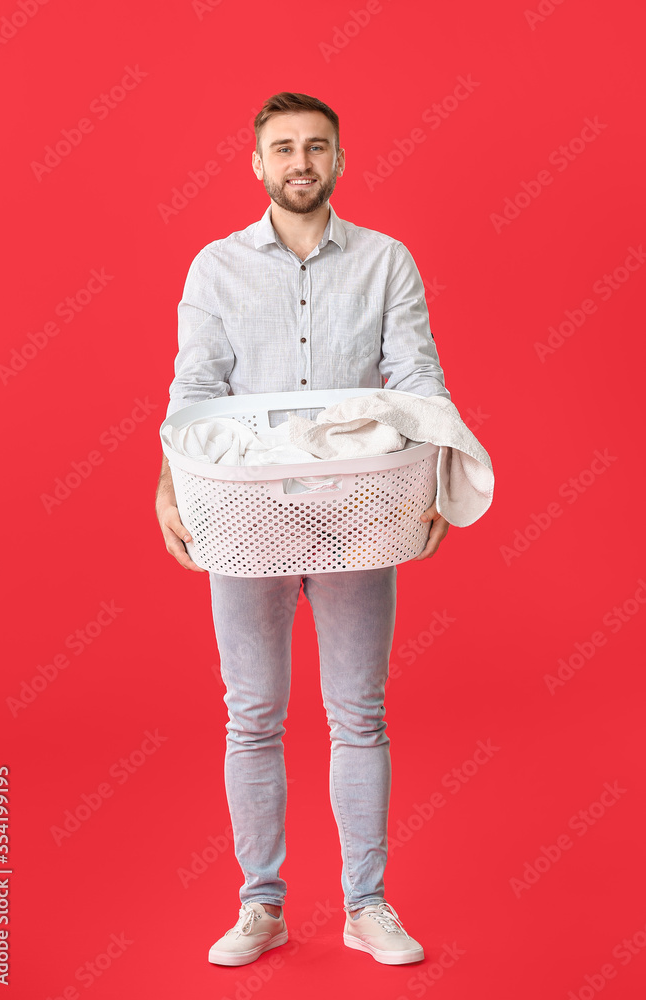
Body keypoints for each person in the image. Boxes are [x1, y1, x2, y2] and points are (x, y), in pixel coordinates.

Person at [155, 91, 451, 967]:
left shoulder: (387, 260)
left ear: (339, 160)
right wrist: (167, 486)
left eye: (315, 147)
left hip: (360, 510)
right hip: (245, 512)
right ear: (255, 163)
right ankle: (262, 906)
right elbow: (193, 389)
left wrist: (435, 476)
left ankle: (366, 905)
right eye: (282, 147)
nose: (299, 162)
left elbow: (417, 375)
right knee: (250, 715)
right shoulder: (214, 269)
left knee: (358, 714)